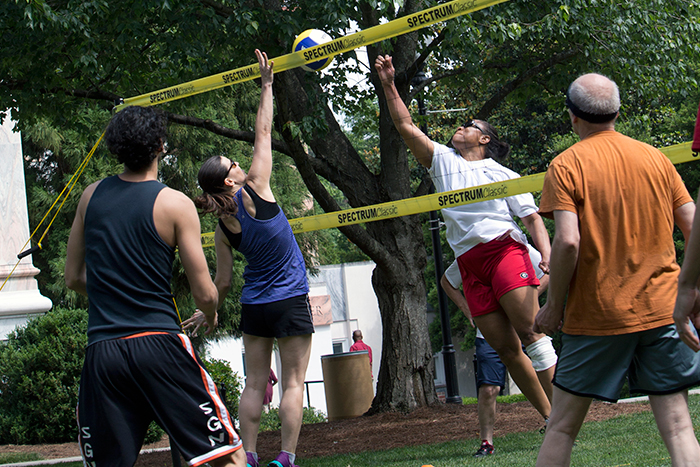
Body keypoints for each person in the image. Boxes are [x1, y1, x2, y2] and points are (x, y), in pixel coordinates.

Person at [375, 54, 557, 423]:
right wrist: (389, 84)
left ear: (484, 138)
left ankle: (566, 416)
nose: (460, 128)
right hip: (469, 263)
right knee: (506, 349)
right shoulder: (443, 160)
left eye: (469, 125)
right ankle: (552, 419)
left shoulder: (501, 171)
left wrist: (548, 254)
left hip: (503, 250)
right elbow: (406, 125)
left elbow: (531, 217)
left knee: (529, 332)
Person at [64, 104, 245, 466]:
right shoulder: (175, 203)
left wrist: (113, 297)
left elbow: (73, 278)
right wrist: (209, 312)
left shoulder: (90, 195)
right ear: (161, 145)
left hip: (103, 353)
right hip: (159, 347)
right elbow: (205, 292)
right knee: (228, 456)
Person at [534, 73, 700, 466]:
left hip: (597, 317)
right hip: (663, 309)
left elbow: (568, 241)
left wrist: (554, 305)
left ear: (572, 117)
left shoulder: (565, 165)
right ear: (618, 113)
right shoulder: (655, 157)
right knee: (678, 426)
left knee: (561, 427)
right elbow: (693, 224)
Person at [183, 50, 313, 467]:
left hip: (255, 303)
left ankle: (251, 456)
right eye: (232, 163)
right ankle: (286, 459)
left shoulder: (222, 227)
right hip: (290, 299)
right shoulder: (256, 186)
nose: (240, 162)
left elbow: (221, 284)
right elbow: (263, 130)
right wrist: (267, 85)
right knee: (293, 383)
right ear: (229, 178)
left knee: (254, 383)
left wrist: (209, 312)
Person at [442, 244, 549, 458]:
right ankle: (486, 442)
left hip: (524, 327)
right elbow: (447, 281)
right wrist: (468, 309)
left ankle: (553, 423)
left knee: (541, 369)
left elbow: (549, 271)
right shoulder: (469, 251)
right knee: (489, 389)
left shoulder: (517, 246)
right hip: (489, 335)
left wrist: (525, 298)